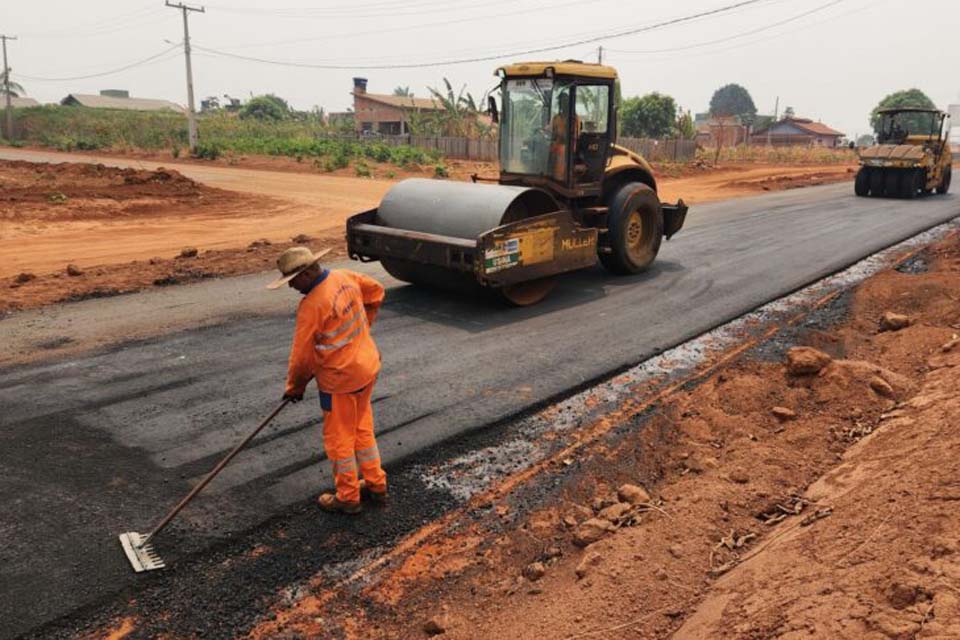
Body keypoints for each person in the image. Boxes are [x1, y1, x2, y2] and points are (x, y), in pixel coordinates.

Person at [268, 246, 388, 514]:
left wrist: (295, 388)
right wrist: (364, 330)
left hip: (341, 380)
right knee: (361, 427)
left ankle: (348, 496)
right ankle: (376, 484)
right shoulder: (345, 276)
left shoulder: (312, 305)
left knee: (339, 439)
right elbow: (377, 291)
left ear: (308, 272)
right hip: (367, 367)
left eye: (294, 280)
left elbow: (301, 356)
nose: (292, 287)